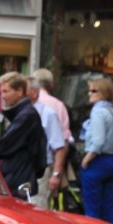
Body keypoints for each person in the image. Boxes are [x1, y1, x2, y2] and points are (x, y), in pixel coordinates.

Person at [70, 76, 113, 223]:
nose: (90, 94)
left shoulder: (98, 112)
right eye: (89, 90)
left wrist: (86, 159)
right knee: (107, 207)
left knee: (92, 209)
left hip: (96, 161)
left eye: (93, 91)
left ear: (103, 92)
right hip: (110, 161)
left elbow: (98, 140)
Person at [0, 73, 47, 200]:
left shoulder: (26, 115)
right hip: (16, 176)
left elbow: (3, 146)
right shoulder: (21, 114)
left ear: (19, 91)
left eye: (6, 91)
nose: (3, 96)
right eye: (1, 92)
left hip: (19, 178)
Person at [32, 70, 71, 206]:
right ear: (52, 85)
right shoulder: (58, 105)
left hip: (32, 165)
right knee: (41, 205)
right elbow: (64, 142)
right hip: (47, 165)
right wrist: (57, 172)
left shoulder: (27, 103)